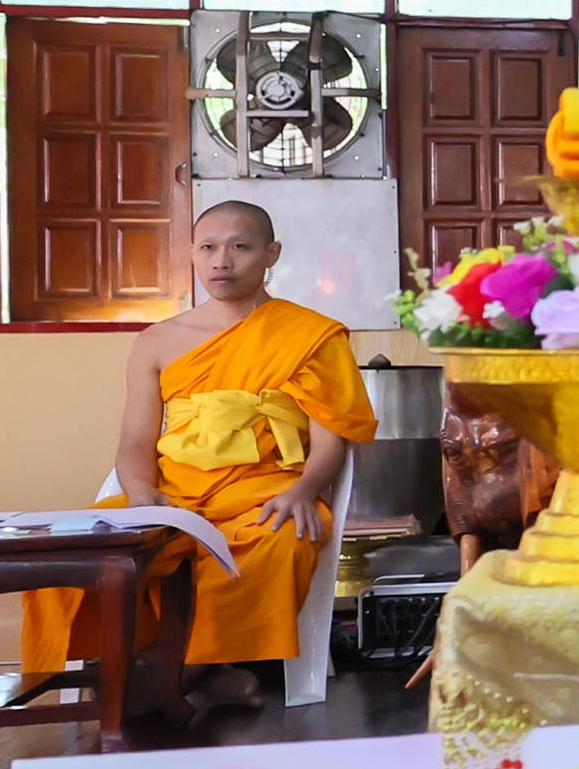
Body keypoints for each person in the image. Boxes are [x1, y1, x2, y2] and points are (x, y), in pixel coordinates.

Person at [20, 202, 374, 714]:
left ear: (271, 254)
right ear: (191, 253)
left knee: (280, 542)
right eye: (208, 247)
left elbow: (332, 442)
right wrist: (143, 496)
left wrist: (302, 489)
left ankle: (170, 679)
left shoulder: (311, 336)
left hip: (264, 492)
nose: (221, 261)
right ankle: (194, 674)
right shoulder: (157, 342)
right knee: (79, 552)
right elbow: (135, 443)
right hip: (173, 493)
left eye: (240, 246)